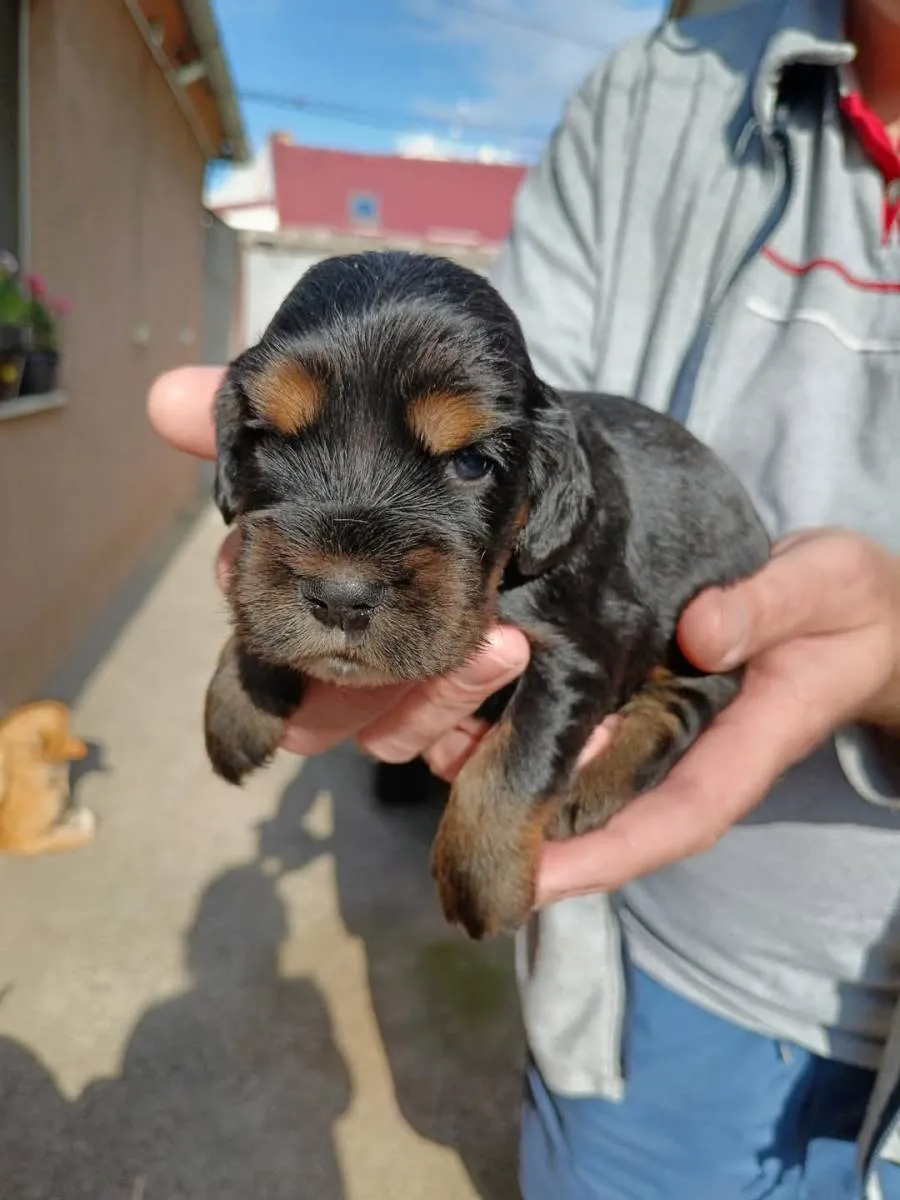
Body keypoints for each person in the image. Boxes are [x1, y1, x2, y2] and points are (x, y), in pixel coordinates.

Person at [148, 0, 900, 1193]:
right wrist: (257, 653)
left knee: (632, 669)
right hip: (660, 997)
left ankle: (664, 714)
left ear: (533, 490)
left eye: (465, 465)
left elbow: (562, 653)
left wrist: (496, 817)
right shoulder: (647, 93)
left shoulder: (563, 507)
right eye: (280, 447)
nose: (345, 569)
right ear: (241, 449)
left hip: (713, 688)